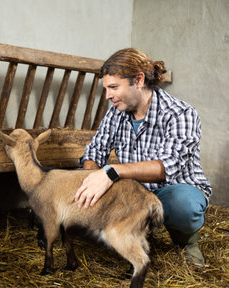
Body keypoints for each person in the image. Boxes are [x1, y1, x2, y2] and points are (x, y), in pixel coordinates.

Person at [74, 48, 211, 266]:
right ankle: (134, 234)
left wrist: (111, 172)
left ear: (138, 80)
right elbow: (94, 151)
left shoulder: (180, 113)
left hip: (171, 190)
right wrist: (91, 180)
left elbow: (166, 168)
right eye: (106, 88)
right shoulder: (116, 112)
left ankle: (186, 242)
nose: (108, 95)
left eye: (113, 87)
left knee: (182, 204)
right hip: (133, 192)